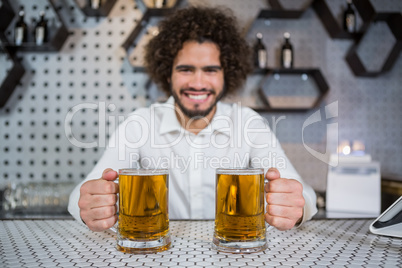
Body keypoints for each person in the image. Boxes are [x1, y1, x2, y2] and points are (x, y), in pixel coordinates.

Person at [68, 6, 317, 232]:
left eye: (210, 70)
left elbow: (304, 196)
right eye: (186, 69)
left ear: (225, 76)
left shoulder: (247, 123)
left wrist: (295, 207)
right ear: (168, 75)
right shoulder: (139, 124)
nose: (198, 83)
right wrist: (92, 204)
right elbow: (81, 196)